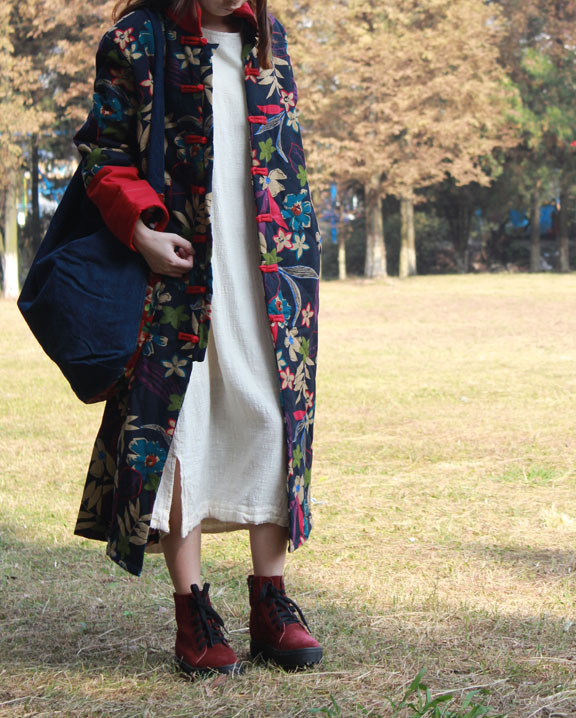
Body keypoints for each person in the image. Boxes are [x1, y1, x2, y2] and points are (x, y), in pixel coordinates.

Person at [72, 0, 322, 675]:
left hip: (267, 268)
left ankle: (271, 601)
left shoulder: (267, 38)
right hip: (176, 271)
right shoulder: (135, 38)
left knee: (272, 413)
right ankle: (194, 610)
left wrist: (296, 252)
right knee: (182, 425)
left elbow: (284, 155)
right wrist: (141, 231)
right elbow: (102, 153)